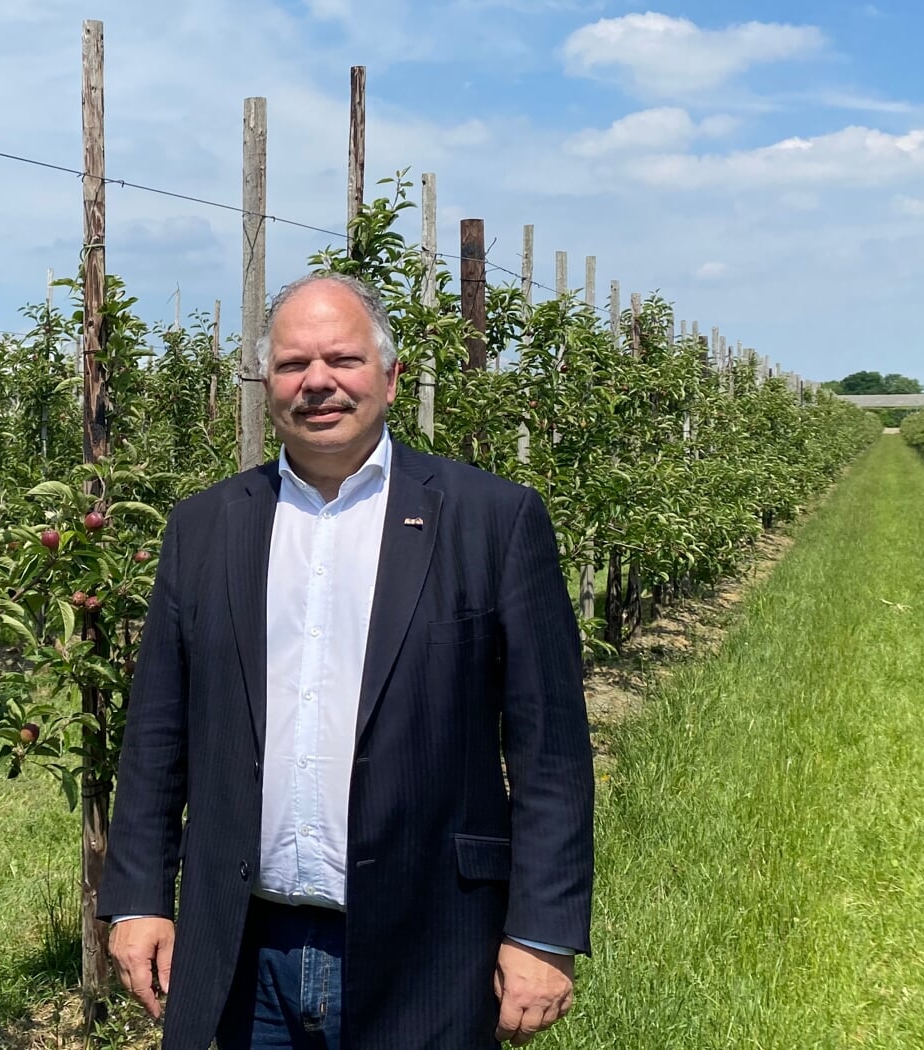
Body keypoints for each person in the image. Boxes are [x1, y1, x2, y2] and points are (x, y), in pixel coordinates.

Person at [99, 272, 594, 1049]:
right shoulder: (205, 528)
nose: (318, 382)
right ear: (268, 384)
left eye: (343, 359)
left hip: (429, 947)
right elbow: (156, 734)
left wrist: (542, 933)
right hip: (239, 952)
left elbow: (551, 752)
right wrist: (137, 900)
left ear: (391, 378)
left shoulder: (492, 521)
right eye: (294, 364)